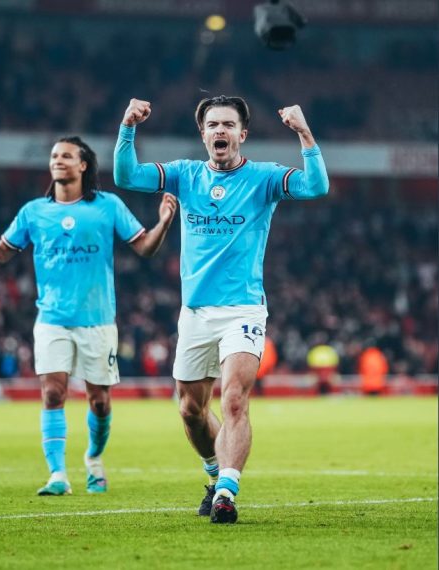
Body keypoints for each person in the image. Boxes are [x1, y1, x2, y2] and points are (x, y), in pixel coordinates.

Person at [114, 95, 329, 523]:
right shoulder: (184, 175)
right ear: (203, 134)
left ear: (242, 135)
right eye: (213, 125)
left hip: (243, 310)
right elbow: (127, 175)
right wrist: (127, 126)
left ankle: (227, 493)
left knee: (233, 399)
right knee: (191, 412)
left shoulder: (263, 178)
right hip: (195, 313)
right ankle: (214, 477)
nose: (220, 132)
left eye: (229, 125)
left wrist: (304, 133)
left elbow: (316, 186)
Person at [0, 136, 177, 495]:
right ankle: (57, 475)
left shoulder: (107, 206)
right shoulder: (33, 212)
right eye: (54, 155)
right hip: (52, 318)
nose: (58, 160)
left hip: (98, 320)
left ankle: (94, 458)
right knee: (52, 392)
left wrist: (162, 222)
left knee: (99, 400)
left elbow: (145, 247)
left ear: (83, 165)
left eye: (66, 155)